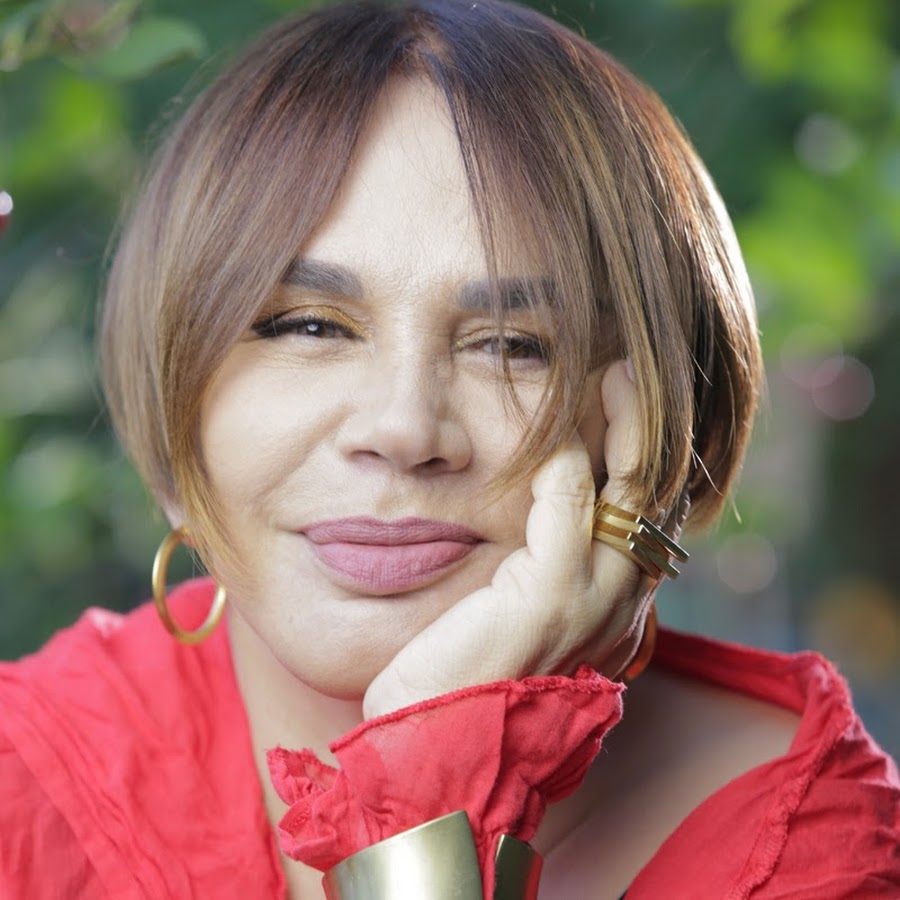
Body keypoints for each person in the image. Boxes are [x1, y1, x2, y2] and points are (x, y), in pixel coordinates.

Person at [1, 0, 897, 897]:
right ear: (175, 388)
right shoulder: (28, 783)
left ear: (657, 418)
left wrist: (437, 774)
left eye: (512, 345)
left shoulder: (813, 849)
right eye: (309, 325)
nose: (402, 429)